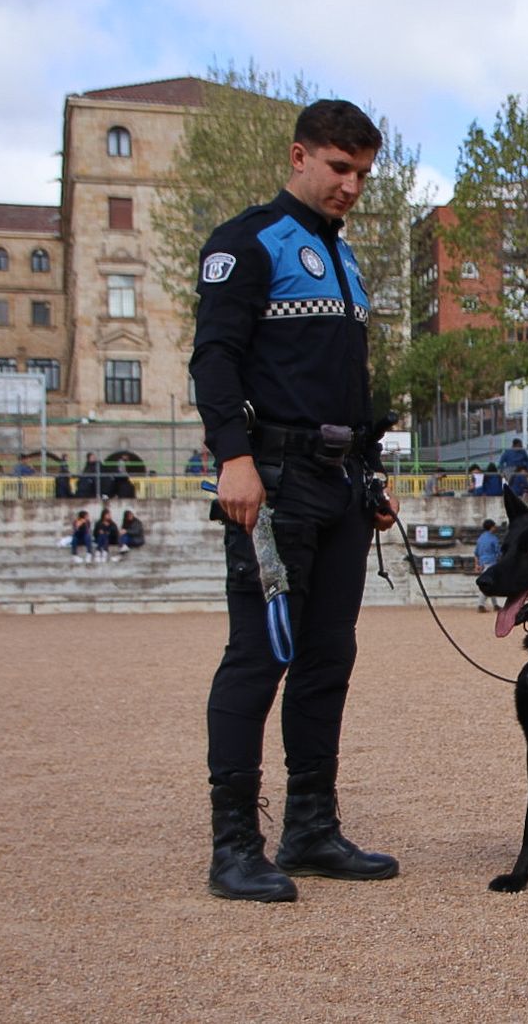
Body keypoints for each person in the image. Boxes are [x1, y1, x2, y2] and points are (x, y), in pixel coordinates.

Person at [189, 98, 401, 903]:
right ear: (300, 156)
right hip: (270, 486)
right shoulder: (247, 243)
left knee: (327, 658)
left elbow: (350, 385)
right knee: (259, 655)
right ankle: (234, 846)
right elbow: (215, 358)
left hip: (340, 487)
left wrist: (372, 477)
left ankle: (311, 828)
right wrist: (232, 458)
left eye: (362, 174)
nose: (351, 186)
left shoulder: (345, 262)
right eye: (340, 169)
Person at [474, 519, 502, 612]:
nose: (495, 527)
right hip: (491, 563)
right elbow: (498, 552)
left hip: (483, 563)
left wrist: (477, 564)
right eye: (494, 526)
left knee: (491, 583)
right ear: (491, 527)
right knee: (488, 584)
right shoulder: (493, 538)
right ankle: (480, 605)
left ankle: (495, 605)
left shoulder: (480, 538)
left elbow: (476, 553)